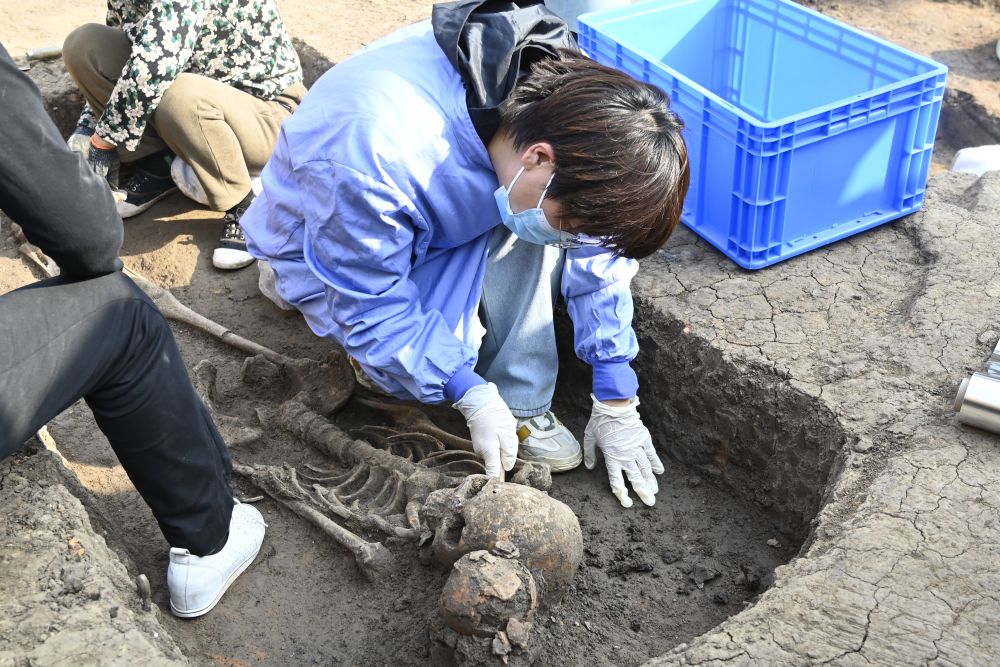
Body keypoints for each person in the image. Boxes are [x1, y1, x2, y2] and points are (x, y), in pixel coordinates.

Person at [241, 0, 690, 508]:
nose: (574, 240)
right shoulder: (375, 153)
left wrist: (615, 388)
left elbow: (596, 245)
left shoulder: (570, 104)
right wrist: (462, 386)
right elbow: (370, 304)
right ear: (537, 157)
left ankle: (520, 400)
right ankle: (291, 287)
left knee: (544, 224)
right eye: (573, 226)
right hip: (329, 243)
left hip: (445, 211)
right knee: (416, 358)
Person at [0, 43, 264, 618]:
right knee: (124, 311)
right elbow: (88, 237)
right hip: (181, 109)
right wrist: (89, 154)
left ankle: (197, 180)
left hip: (253, 111)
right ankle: (210, 537)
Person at [62, 0, 305, 271]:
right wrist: (86, 129)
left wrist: (103, 140)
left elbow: (155, 65)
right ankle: (160, 162)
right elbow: (127, 47)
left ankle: (243, 206)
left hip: (267, 113)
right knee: (85, 45)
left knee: (176, 95)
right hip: (193, 94)